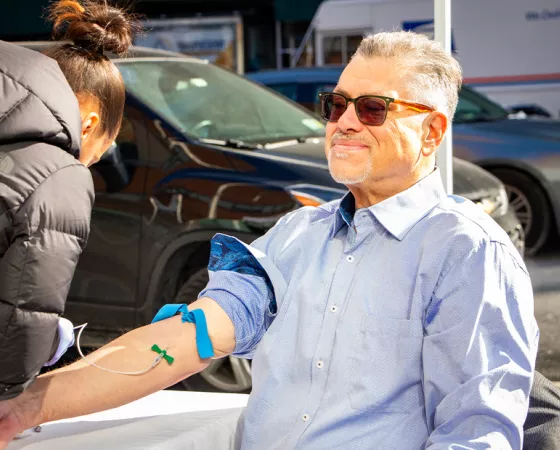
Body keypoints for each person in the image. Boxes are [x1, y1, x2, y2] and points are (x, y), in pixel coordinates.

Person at [0, 31, 541, 449]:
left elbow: (476, 432)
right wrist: (25, 409)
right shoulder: (294, 237)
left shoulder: (466, 252)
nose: (345, 122)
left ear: (433, 132)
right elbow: (180, 345)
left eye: (373, 108)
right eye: (336, 104)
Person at [0, 0, 134, 402]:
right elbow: (18, 334)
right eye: (99, 151)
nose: (90, 162)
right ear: (89, 124)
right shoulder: (60, 172)